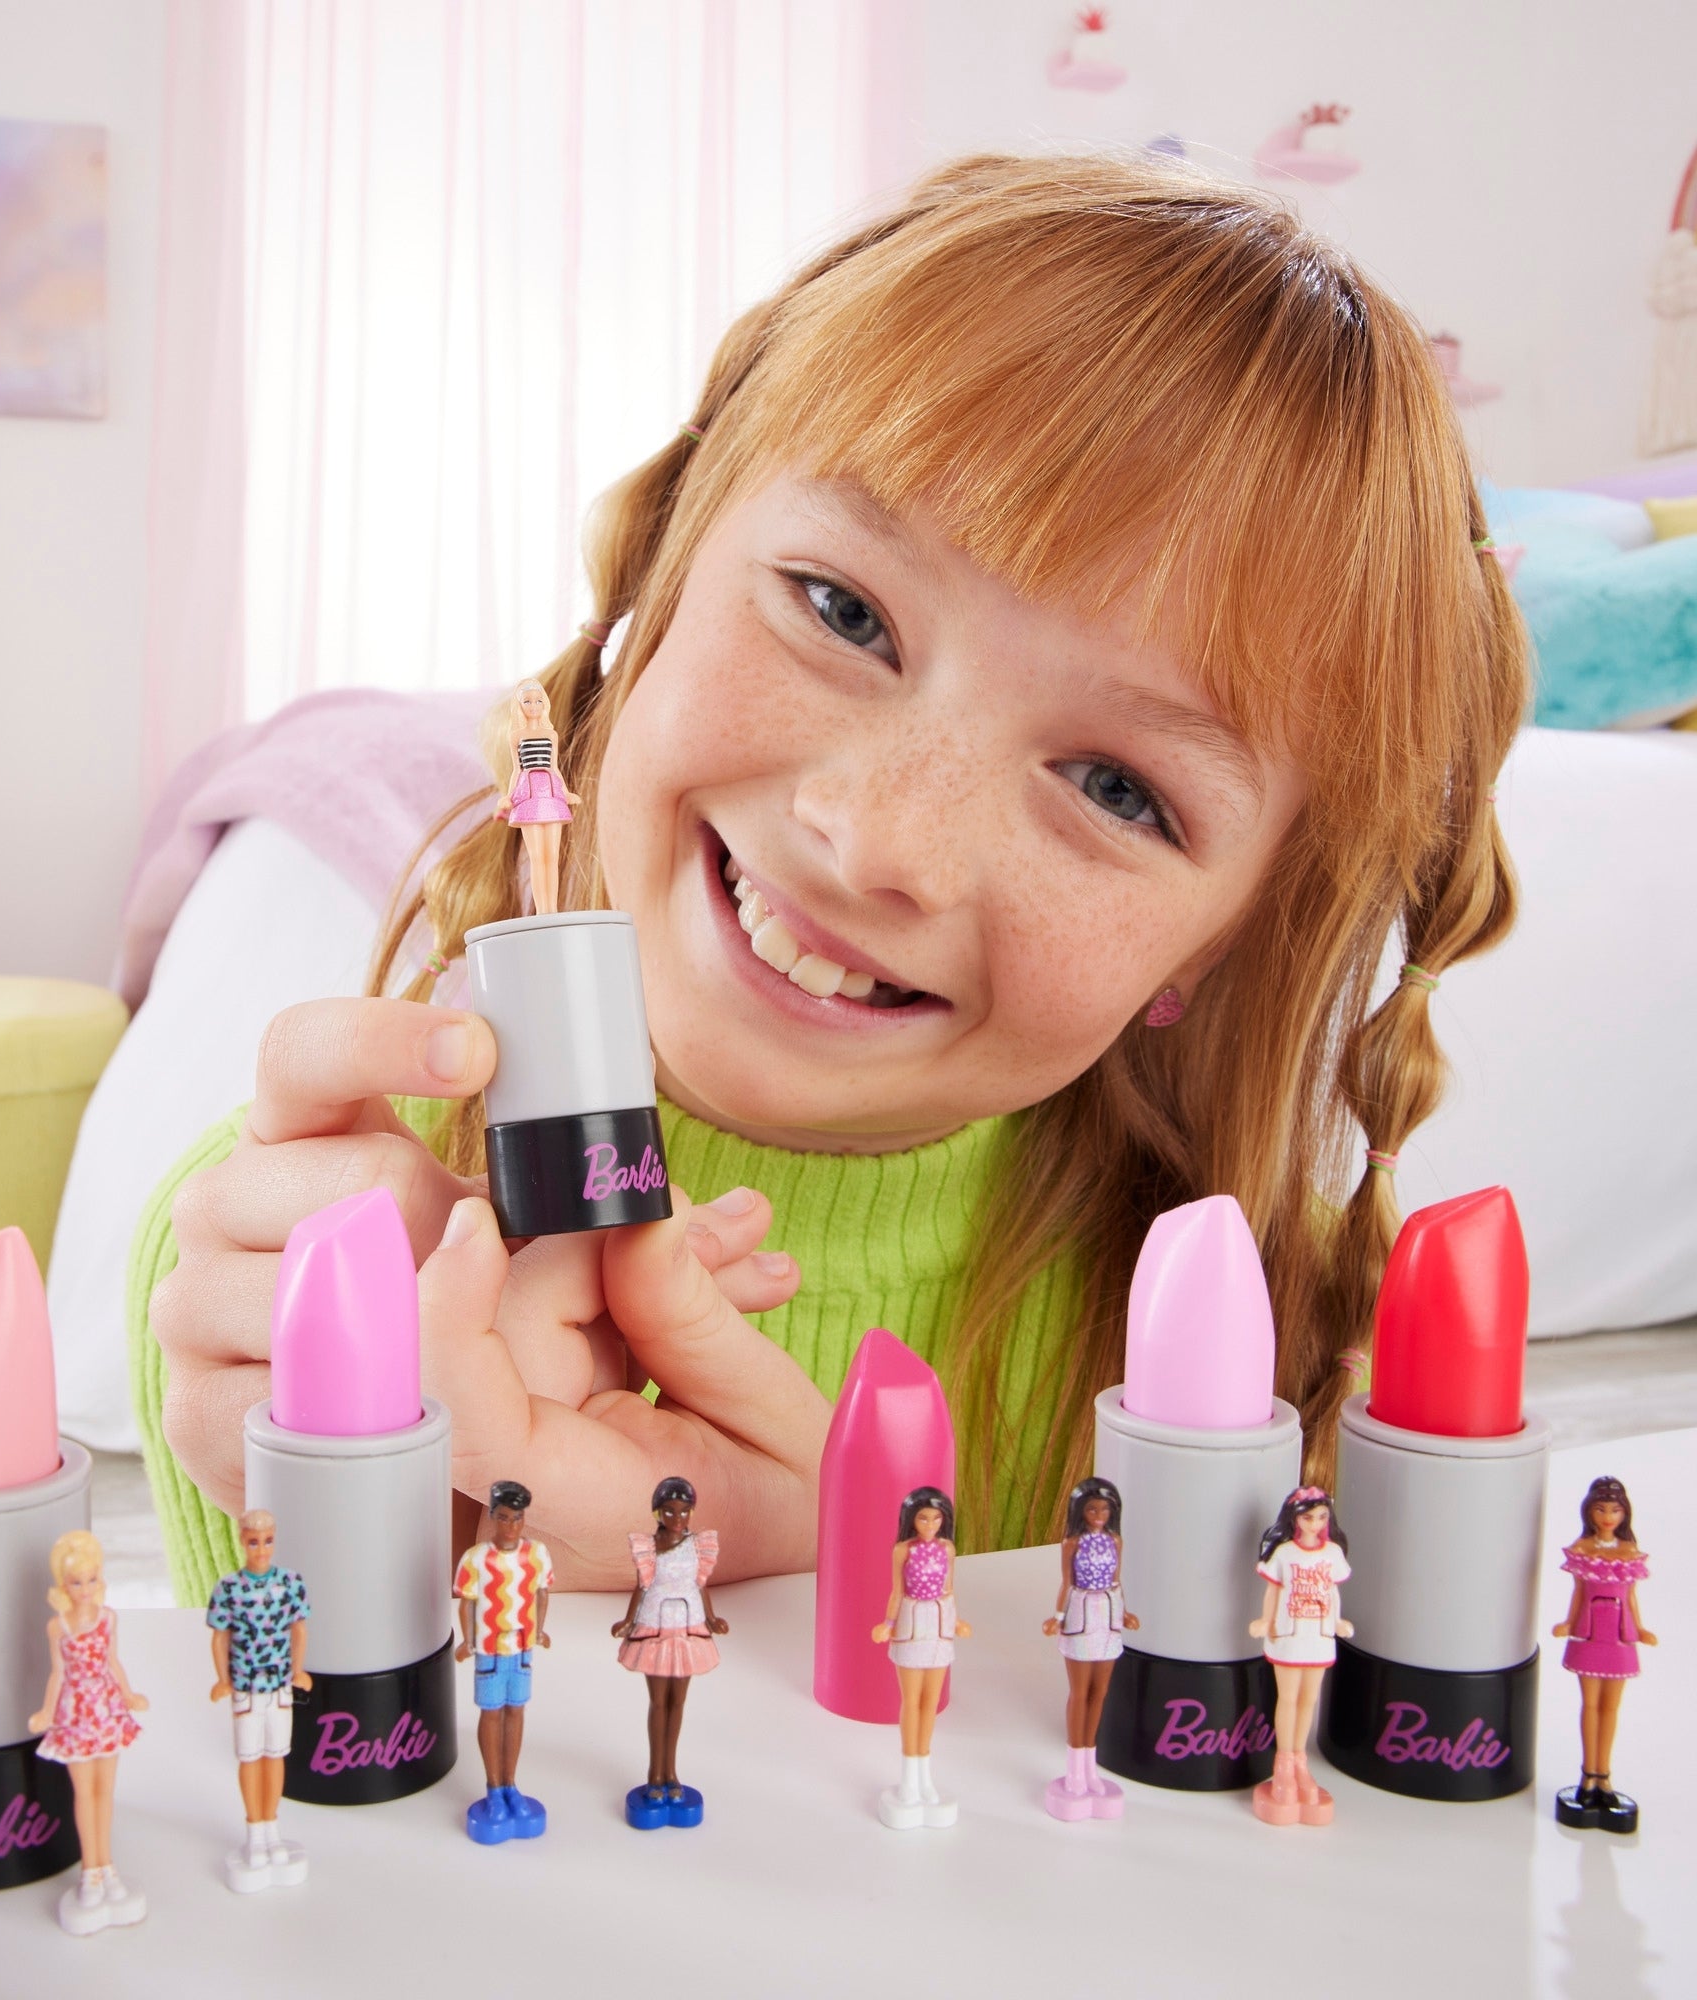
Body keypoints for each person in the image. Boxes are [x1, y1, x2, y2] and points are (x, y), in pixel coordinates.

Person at [137, 150, 1530, 1599]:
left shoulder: (1260, 1362)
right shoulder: (283, 1263)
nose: (879, 840)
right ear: (668, 557)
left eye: (1117, 789)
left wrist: (826, 1585)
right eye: (844, 610)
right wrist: (388, 1560)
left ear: (1219, 942)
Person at [31, 1530, 149, 1933]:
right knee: (84, 1792)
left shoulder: (108, 1618)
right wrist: (46, 1711)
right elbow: (57, 1673)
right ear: (64, 1586)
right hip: (76, 1713)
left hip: (106, 1708)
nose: (85, 1588)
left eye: (91, 1579)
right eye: (77, 1582)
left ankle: (107, 1865)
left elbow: (113, 1661)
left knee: (105, 1789)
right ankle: (90, 1870)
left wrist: (129, 1695)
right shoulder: (58, 1626)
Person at [612, 1476, 728, 1827]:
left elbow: (700, 1585)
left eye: (684, 1511)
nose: (677, 1518)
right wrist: (628, 1620)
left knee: (678, 1702)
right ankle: (655, 1773)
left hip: (688, 1624)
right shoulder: (648, 1548)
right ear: (657, 1513)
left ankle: (671, 1772)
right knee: (658, 1702)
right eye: (670, 1511)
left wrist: (711, 1618)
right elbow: (641, 1586)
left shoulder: (697, 1547)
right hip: (655, 1625)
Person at [206, 1508, 312, 1888]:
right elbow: (219, 1637)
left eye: (267, 1541)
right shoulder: (229, 1589)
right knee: (250, 1758)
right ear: (242, 1541)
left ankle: (272, 1828)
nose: (262, 1549)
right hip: (246, 1688)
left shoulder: (289, 1583)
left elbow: (299, 1629)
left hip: (279, 1686)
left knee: (275, 1756)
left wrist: (298, 1670)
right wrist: (223, 1679)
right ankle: (254, 1829)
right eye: (254, 1542)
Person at [1552, 1475, 1656, 1832]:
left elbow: (1631, 1596)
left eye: (1614, 1510)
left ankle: (1604, 1776)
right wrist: (1569, 1622)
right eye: (1601, 1509)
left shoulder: (1628, 1551)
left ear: (1624, 1513)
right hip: (1590, 1631)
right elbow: (1579, 1592)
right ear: (1589, 1513)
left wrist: (1640, 1628)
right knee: (1591, 1704)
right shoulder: (1583, 1549)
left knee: (1611, 1707)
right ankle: (1588, 1776)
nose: (1608, 1516)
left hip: (1620, 1635)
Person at [453, 1480, 554, 1843]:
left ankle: (510, 1784)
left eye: (517, 1518)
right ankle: (493, 1788)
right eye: (505, 1518)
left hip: (522, 1647)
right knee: (491, 1713)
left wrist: (540, 1631)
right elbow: (466, 1601)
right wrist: (468, 1640)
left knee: (516, 1711)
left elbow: (542, 1593)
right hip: (490, 1648)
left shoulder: (536, 1554)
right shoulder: (476, 1558)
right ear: (494, 1517)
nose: (511, 1526)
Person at [1249, 1486, 1352, 1827]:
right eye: (1309, 1517)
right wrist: (1265, 1620)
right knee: (1289, 1697)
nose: (1316, 1523)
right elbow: (1273, 1591)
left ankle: (1300, 1760)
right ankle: (1283, 1762)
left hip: (1319, 1635)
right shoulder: (1285, 1554)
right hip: (1289, 1634)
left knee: (1310, 1699)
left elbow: (1332, 1591)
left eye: (1321, 1517)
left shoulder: (1332, 1553)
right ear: (1294, 1519)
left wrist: (1337, 1621)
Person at [870, 1486, 970, 1829]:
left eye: (936, 1518)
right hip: (912, 1623)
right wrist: (887, 1624)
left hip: (939, 1624)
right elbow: (897, 1592)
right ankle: (908, 1775)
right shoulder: (903, 1550)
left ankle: (925, 1773)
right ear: (911, 1519)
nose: (929, 1524)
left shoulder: (947, 1549)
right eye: (923, 1518)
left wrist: (956, 1620)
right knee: (911, 1701)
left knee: (931, 1702)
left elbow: (949, 1588)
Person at [1041, 1476, 1140, 1821]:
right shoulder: (1072, 1543)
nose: (1098, 1515)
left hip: (1108, 1615)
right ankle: (1074, 1768)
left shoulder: (1115, 1541)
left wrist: (1124, 1612)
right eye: (1092, 1509)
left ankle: (1090, 1767)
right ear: (1080, 1512)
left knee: (1099, 1694)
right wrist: (1057, 1617)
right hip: (1081, 1613)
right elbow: (1067, 1583)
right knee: (1080, 1693)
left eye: (1104, 1509)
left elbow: (1116, 1580)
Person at [494, 676, 585, 916]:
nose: (533, 706)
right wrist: (509, 796)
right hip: (528, 793)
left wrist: (565, 792)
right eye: (527, 701)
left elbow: (554, 767)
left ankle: (551, 909)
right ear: (520, 706)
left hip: (550, 792)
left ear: (544, 703)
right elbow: (517, 769)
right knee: (537, 857)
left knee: (552, 856)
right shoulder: (516, 736)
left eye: (537, 701)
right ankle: (542, 910)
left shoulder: (550, 734)